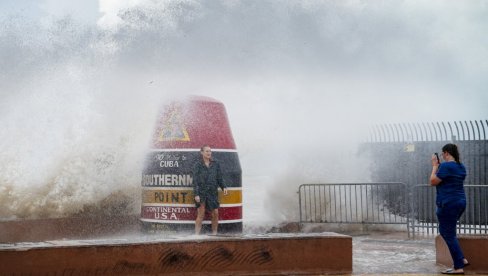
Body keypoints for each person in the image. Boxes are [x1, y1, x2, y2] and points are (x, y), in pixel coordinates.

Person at [430, 143, 470, 275]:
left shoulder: (446, 166)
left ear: (446, 153)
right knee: (450, 231)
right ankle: (461, 259)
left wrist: (435, 166)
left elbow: (433, 181)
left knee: (446, 232)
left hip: (448, 203)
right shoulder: (461, 166)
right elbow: (449, 178)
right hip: (460, 202)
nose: (442, 156)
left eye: (442, 154)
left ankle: (458, 266)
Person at [192, 145, 228, 235]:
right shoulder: (198, 165)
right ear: (202, 153)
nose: (209, 153)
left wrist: (224, 187)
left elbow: (219, 177)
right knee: (201, 214)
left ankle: (214, 233)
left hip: (212, 192)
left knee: (215, 213)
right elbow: (195, 180)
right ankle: (196, 235)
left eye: (210, 151)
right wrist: (196, 194)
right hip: (201, 192)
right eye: (206, 151)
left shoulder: (216, 164)